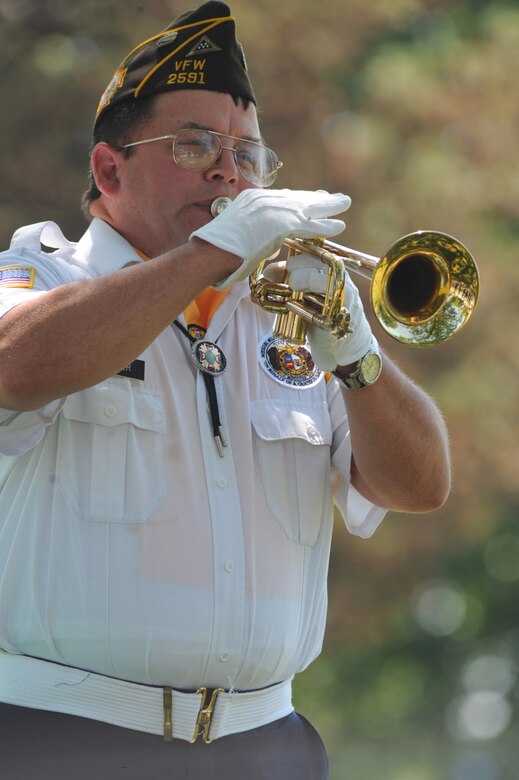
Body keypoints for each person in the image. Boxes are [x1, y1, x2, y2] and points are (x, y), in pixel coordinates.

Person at [0, 2, 451, 778]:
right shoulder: (43, 274)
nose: (229, 172)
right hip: (66, 738)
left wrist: (354, 350)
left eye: (248, 152)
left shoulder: (288, 315)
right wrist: (214, 251)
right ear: (109, 170)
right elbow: (14, 365)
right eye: (194, 144)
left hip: (265, 744)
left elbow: (419, 486)